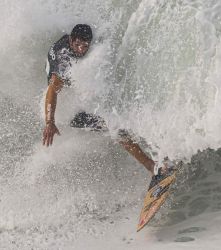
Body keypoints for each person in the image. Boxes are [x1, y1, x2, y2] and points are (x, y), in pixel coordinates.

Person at [42, 24, 169, 177]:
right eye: (77, 45)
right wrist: (50, 122)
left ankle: (162, 151)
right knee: (115, 129)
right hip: (69, 111)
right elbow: (52, 91)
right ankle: (152, 167)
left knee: (124, 120)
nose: (81, 49)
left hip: (78, 97)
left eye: (85, 46)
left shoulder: (73, 41)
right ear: (70, 40)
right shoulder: (63, 60)